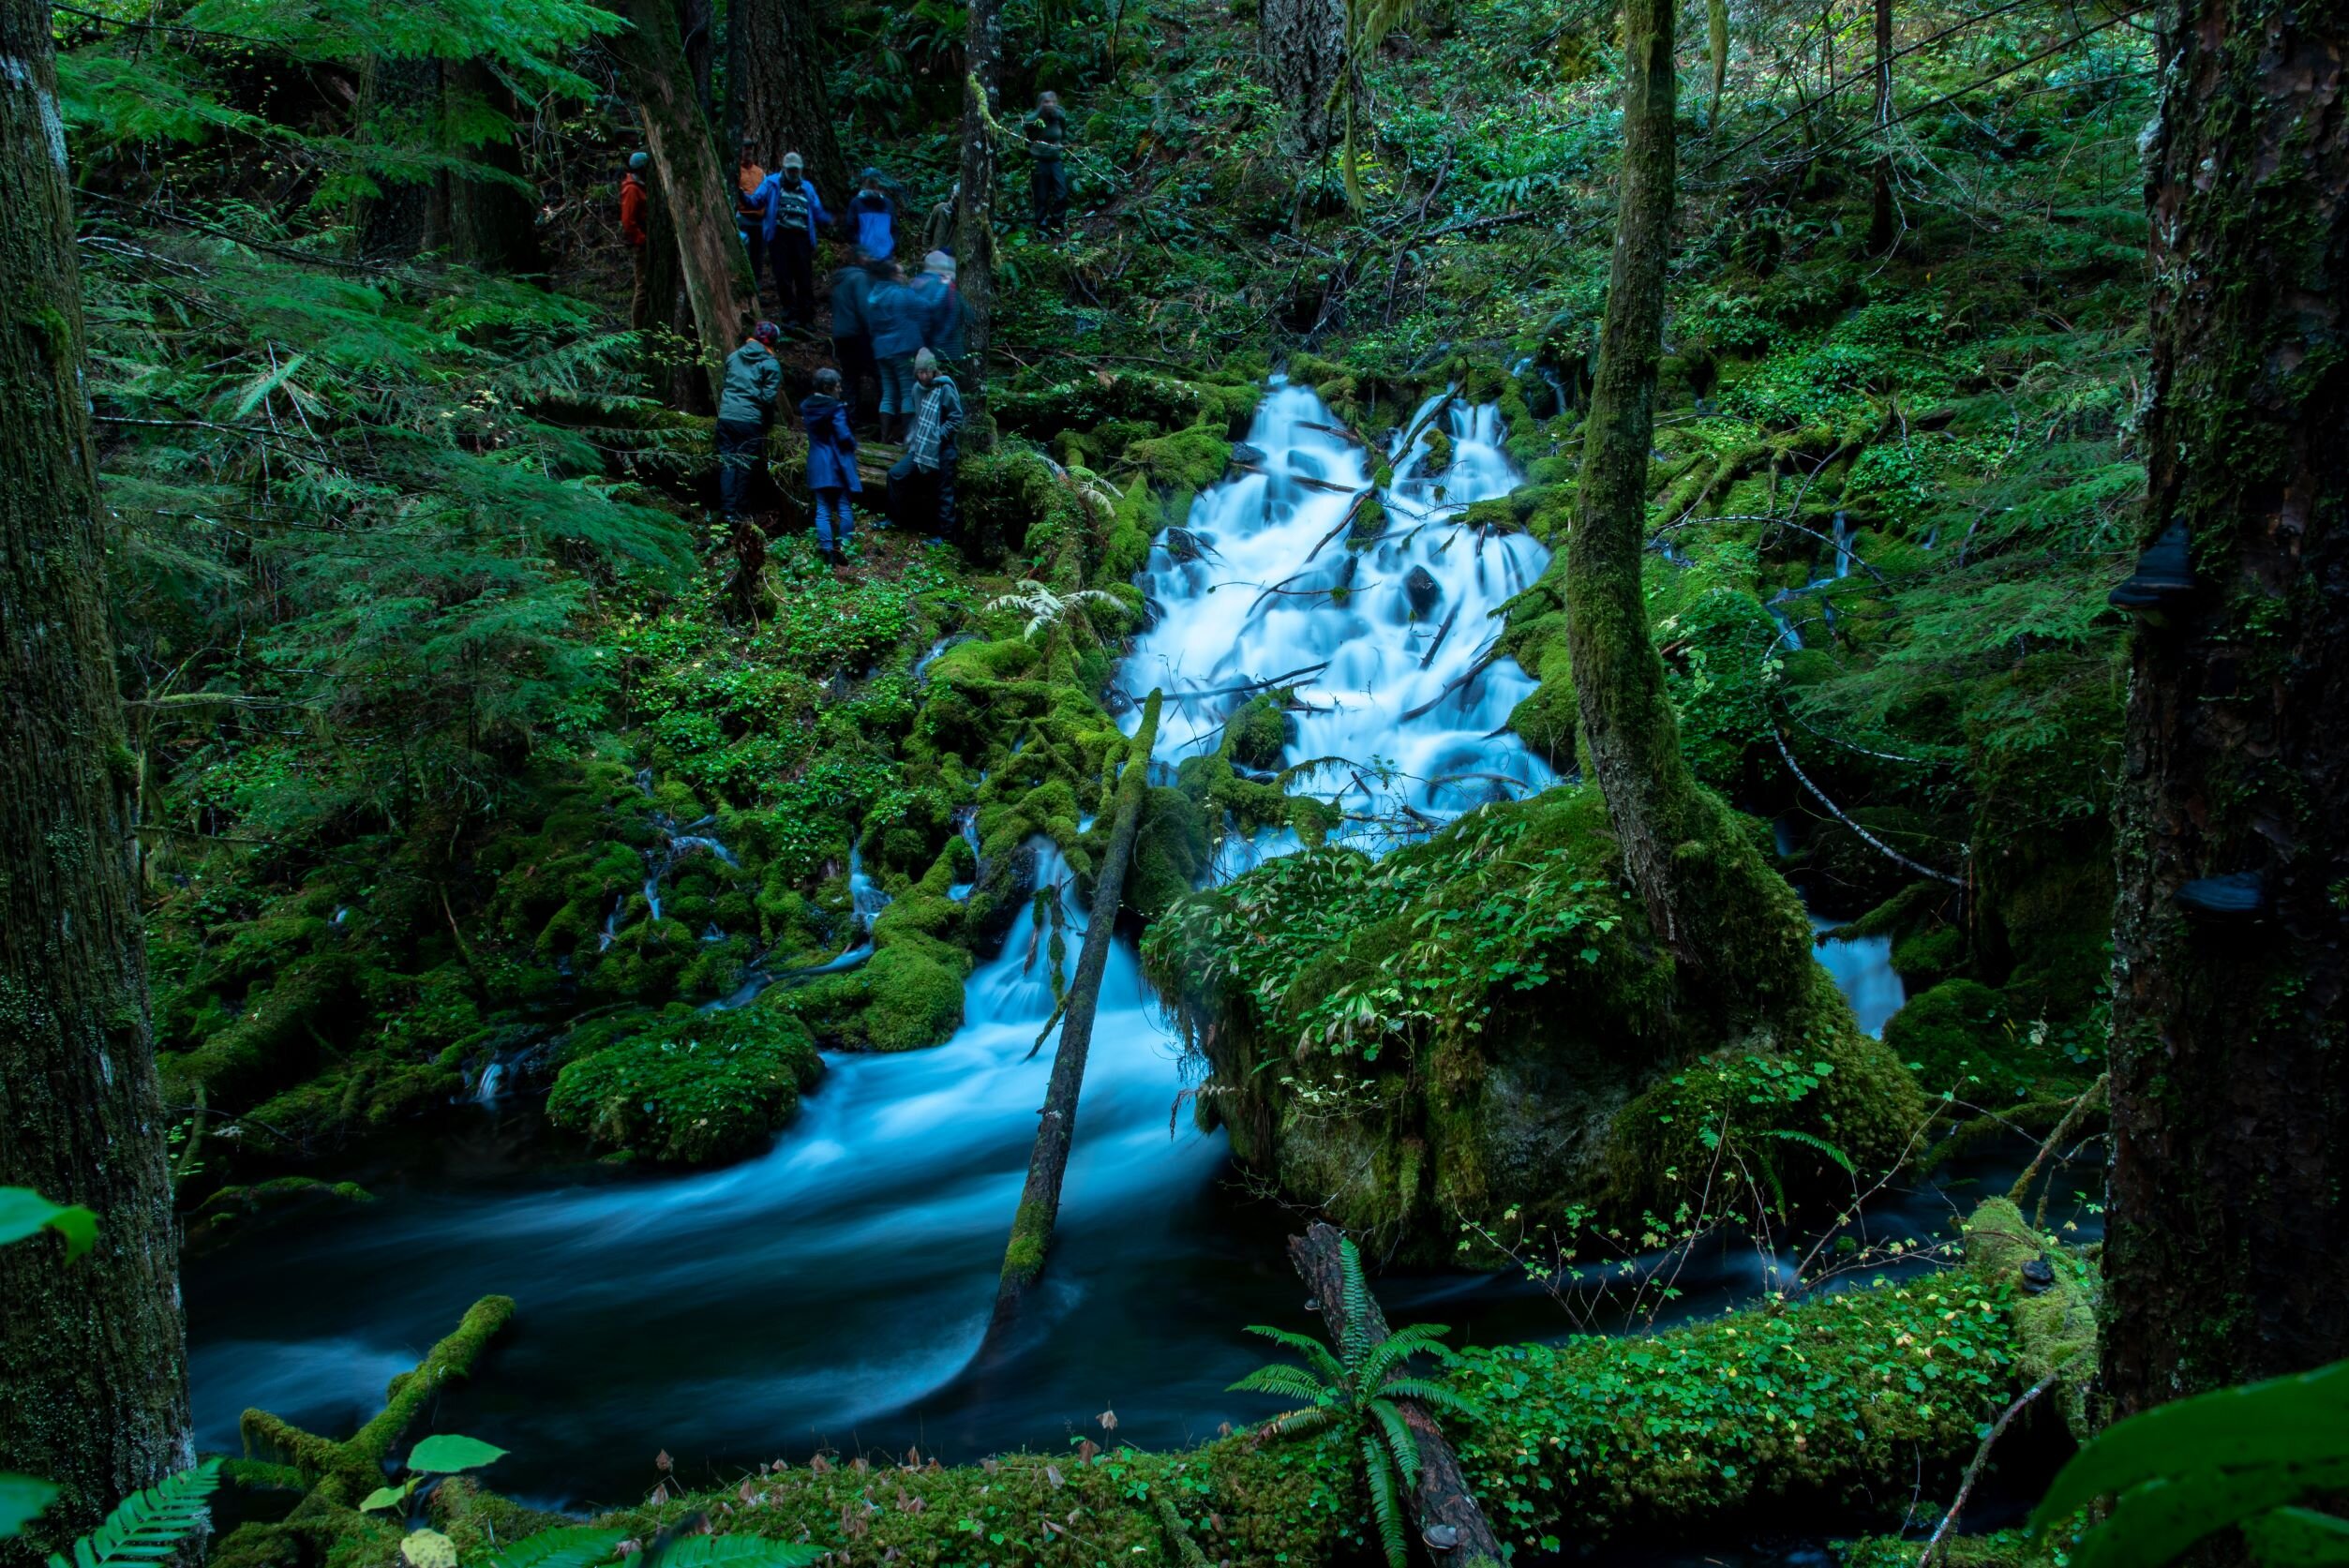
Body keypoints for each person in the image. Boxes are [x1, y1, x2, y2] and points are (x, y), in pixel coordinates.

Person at [890, 348, 963, 538]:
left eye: (926, 372)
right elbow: (920, 416)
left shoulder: (945, 388)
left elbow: (956, 419)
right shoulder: (916, 389)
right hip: (921, 448)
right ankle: (897, 518)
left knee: (942, 491)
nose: (923, 376)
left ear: (933, 371)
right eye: (920, 372)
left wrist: (937, 435)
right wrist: (914, 439)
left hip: (944, 448)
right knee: (896, 475)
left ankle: (946, 535)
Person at [715, 321, 784, 519]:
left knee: (728, 463)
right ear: (773, 341)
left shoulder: (733, 356)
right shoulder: (770, 364)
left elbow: (726, 384)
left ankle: (728, 510)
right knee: (744, 466)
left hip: (726, 417)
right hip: (749, 421)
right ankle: (740, 511)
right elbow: (767, 399)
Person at [762, 151, 831, 329]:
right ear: (784, 169)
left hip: (801, 237)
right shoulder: (772, 183)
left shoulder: (807, 187)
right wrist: (742, 197)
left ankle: (806, 317)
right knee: (783, 278)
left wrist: (831, 220)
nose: (793, 173)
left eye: (796, 170)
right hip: (780, 237)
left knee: (804, 278)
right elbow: (756, 200)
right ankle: (789, 316)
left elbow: (817, 210)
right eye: (791, 170)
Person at [800, 367, 861, 566]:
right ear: (827, 388)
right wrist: (853, 444)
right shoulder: (835, 408)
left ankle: (827, 551)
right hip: (837, 463)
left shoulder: (807, 407)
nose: (840, 389)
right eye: (837, 386)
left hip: (817, 462)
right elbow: (843, 436)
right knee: (844, 507)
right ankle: (845, 547)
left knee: (823, 510)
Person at [865, 260, 921, 442]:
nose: (903, 276)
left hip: (881, 350)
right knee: (907, 392)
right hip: (902, 348)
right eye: (900, 274)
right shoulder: (899, 294)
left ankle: (883, 437)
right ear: (891, 275)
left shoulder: (872, 296)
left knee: (888, 392)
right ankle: (907, 437)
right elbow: (922, 307)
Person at [828, 261, 877, 427]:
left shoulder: (840, 281)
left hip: (841, 335)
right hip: (858, 335)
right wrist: (873, 331)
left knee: (850, 377)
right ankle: (884, 420)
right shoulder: (860, 278)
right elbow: (865, 308)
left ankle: (850, 419)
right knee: (877, 373)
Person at [909, 250, 965, 365]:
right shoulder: (947, 286)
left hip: (926, 350)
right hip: (949, 350)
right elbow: (967, 314)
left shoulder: (916, 285)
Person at [1026, 92, 1070, 233]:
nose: (1050, 104)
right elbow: (1027, 129)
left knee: (1061, 193)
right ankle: (1042, 227)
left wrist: (1062, 144)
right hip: (1039, 161)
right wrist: (1041, 113)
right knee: (1041, 195)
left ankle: (1057, 224)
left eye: (1052, 101)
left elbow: (1063, 131)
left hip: (1055, 160)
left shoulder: (1059, 116)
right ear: (1040, 103)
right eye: (1046, 102)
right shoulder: (1034, 119)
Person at [620, 152, 652, 328]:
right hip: (642, 244)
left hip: (647, 241)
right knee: (642, 286)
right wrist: (641, 239)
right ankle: (636, 329)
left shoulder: (642, 185)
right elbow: (628, 221)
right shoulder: (632, 189)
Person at [735, 138, 771, 294]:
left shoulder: (759, 172)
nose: (748, 152)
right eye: (745, 148)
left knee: (758, 257)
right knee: (745, 257)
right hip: (743, 218)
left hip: (759, 220)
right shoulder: (736, 171)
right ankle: (745, 291)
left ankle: (757, 291)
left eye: (750, 149)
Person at [848, 168, 897, 262]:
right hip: (865, 257)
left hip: (886, 256)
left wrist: (891, 246)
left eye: (875, 182)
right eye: (870, 182)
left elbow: (894, 228)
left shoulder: (888, 203)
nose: (873, 185)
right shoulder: (856, 203)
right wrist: (860, 250)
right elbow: (850, 229)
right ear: (864, 183)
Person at [923, 181, 959, 257]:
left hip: (952, 259)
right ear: (952, 195)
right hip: (935, 255)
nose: (956, 200)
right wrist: (927, 252)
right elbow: (927, 232)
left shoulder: (964, 216)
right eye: (955, 196)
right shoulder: (940, 208)